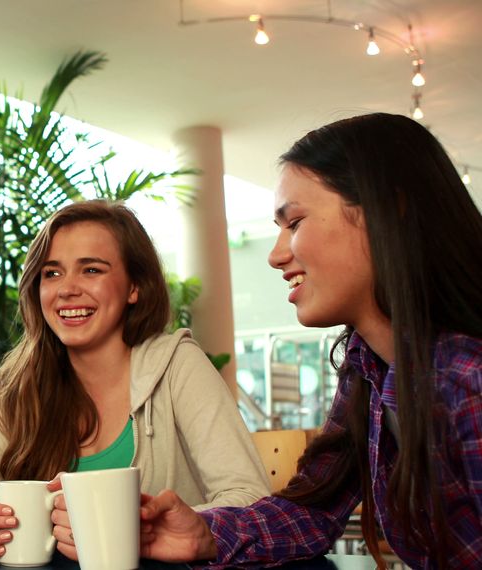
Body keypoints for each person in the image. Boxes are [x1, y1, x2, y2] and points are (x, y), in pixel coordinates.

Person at [129, 113, 482, 569]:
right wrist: (203, 533)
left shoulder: (468, 377)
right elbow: (314, 510)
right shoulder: (367, 368)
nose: (276, 255)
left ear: (384, 213)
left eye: (293, 223)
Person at [0, 200, 270, 563]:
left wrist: (142, 531)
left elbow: (251, 500)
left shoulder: (176, 364)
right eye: (51, 273)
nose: (67, 289)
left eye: (91, 270)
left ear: (134, 286)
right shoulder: (20, 386)